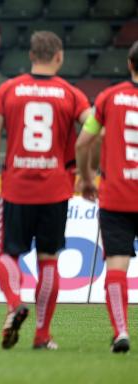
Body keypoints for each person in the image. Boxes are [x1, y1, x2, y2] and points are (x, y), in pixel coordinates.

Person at [0, 31, 91, 350]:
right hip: (56, 189)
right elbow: (93, 128)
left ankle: (15, 304)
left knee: (6, 253)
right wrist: (84, 170)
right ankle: (42, 335)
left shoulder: (9, 90)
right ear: (59, 57)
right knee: (48, 261)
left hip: (17, 188)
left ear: (31, 56)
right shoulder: (71, 94)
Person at [75, 41, 138, 354]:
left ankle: (121, 331)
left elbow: (85, 141)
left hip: (117, 196)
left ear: (130, 64)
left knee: (116, 266)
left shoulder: (109, 98)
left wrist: (87, 177)